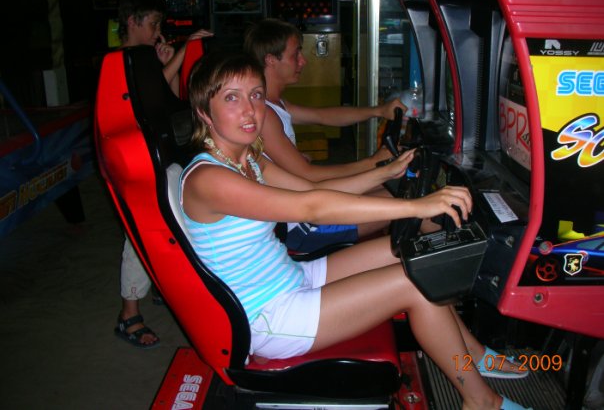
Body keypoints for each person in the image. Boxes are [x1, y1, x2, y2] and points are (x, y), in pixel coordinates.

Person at [179, 51, 530, 410]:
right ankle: (481, 401)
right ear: (204, 111)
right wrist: (416, 206)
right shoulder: (208, 179)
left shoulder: (248, 159)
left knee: (411, 253)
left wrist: (385, 172)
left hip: (291, 277)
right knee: (414, 283)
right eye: (232, 98)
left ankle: (471, 354)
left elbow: (310, 189)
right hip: (268, 318)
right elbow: (312, 209)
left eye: (255, 94)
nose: (250, 109)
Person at [243, 18, 408, 252]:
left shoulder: (276, 104)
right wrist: (373, 163)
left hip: (303, 199)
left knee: (399, 188)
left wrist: (379, 111)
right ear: (271, 60)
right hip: (300, 224)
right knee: (405, 198)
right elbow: (308, 175)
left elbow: (324, 116)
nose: (303, 61)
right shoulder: (265, 114)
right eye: (295, 54)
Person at [113, 0, 213, 348]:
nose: (157, 31)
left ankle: (159, 282)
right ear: (132, 21)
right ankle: (128, 314)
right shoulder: (119, 62)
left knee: (170, 224)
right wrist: (181, 52)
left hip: (157, 154)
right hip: (135, 162)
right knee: (140, 232)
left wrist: (168, 64)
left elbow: (164, 102)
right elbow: (139, 104)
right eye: (153, 23)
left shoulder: (143, 58)